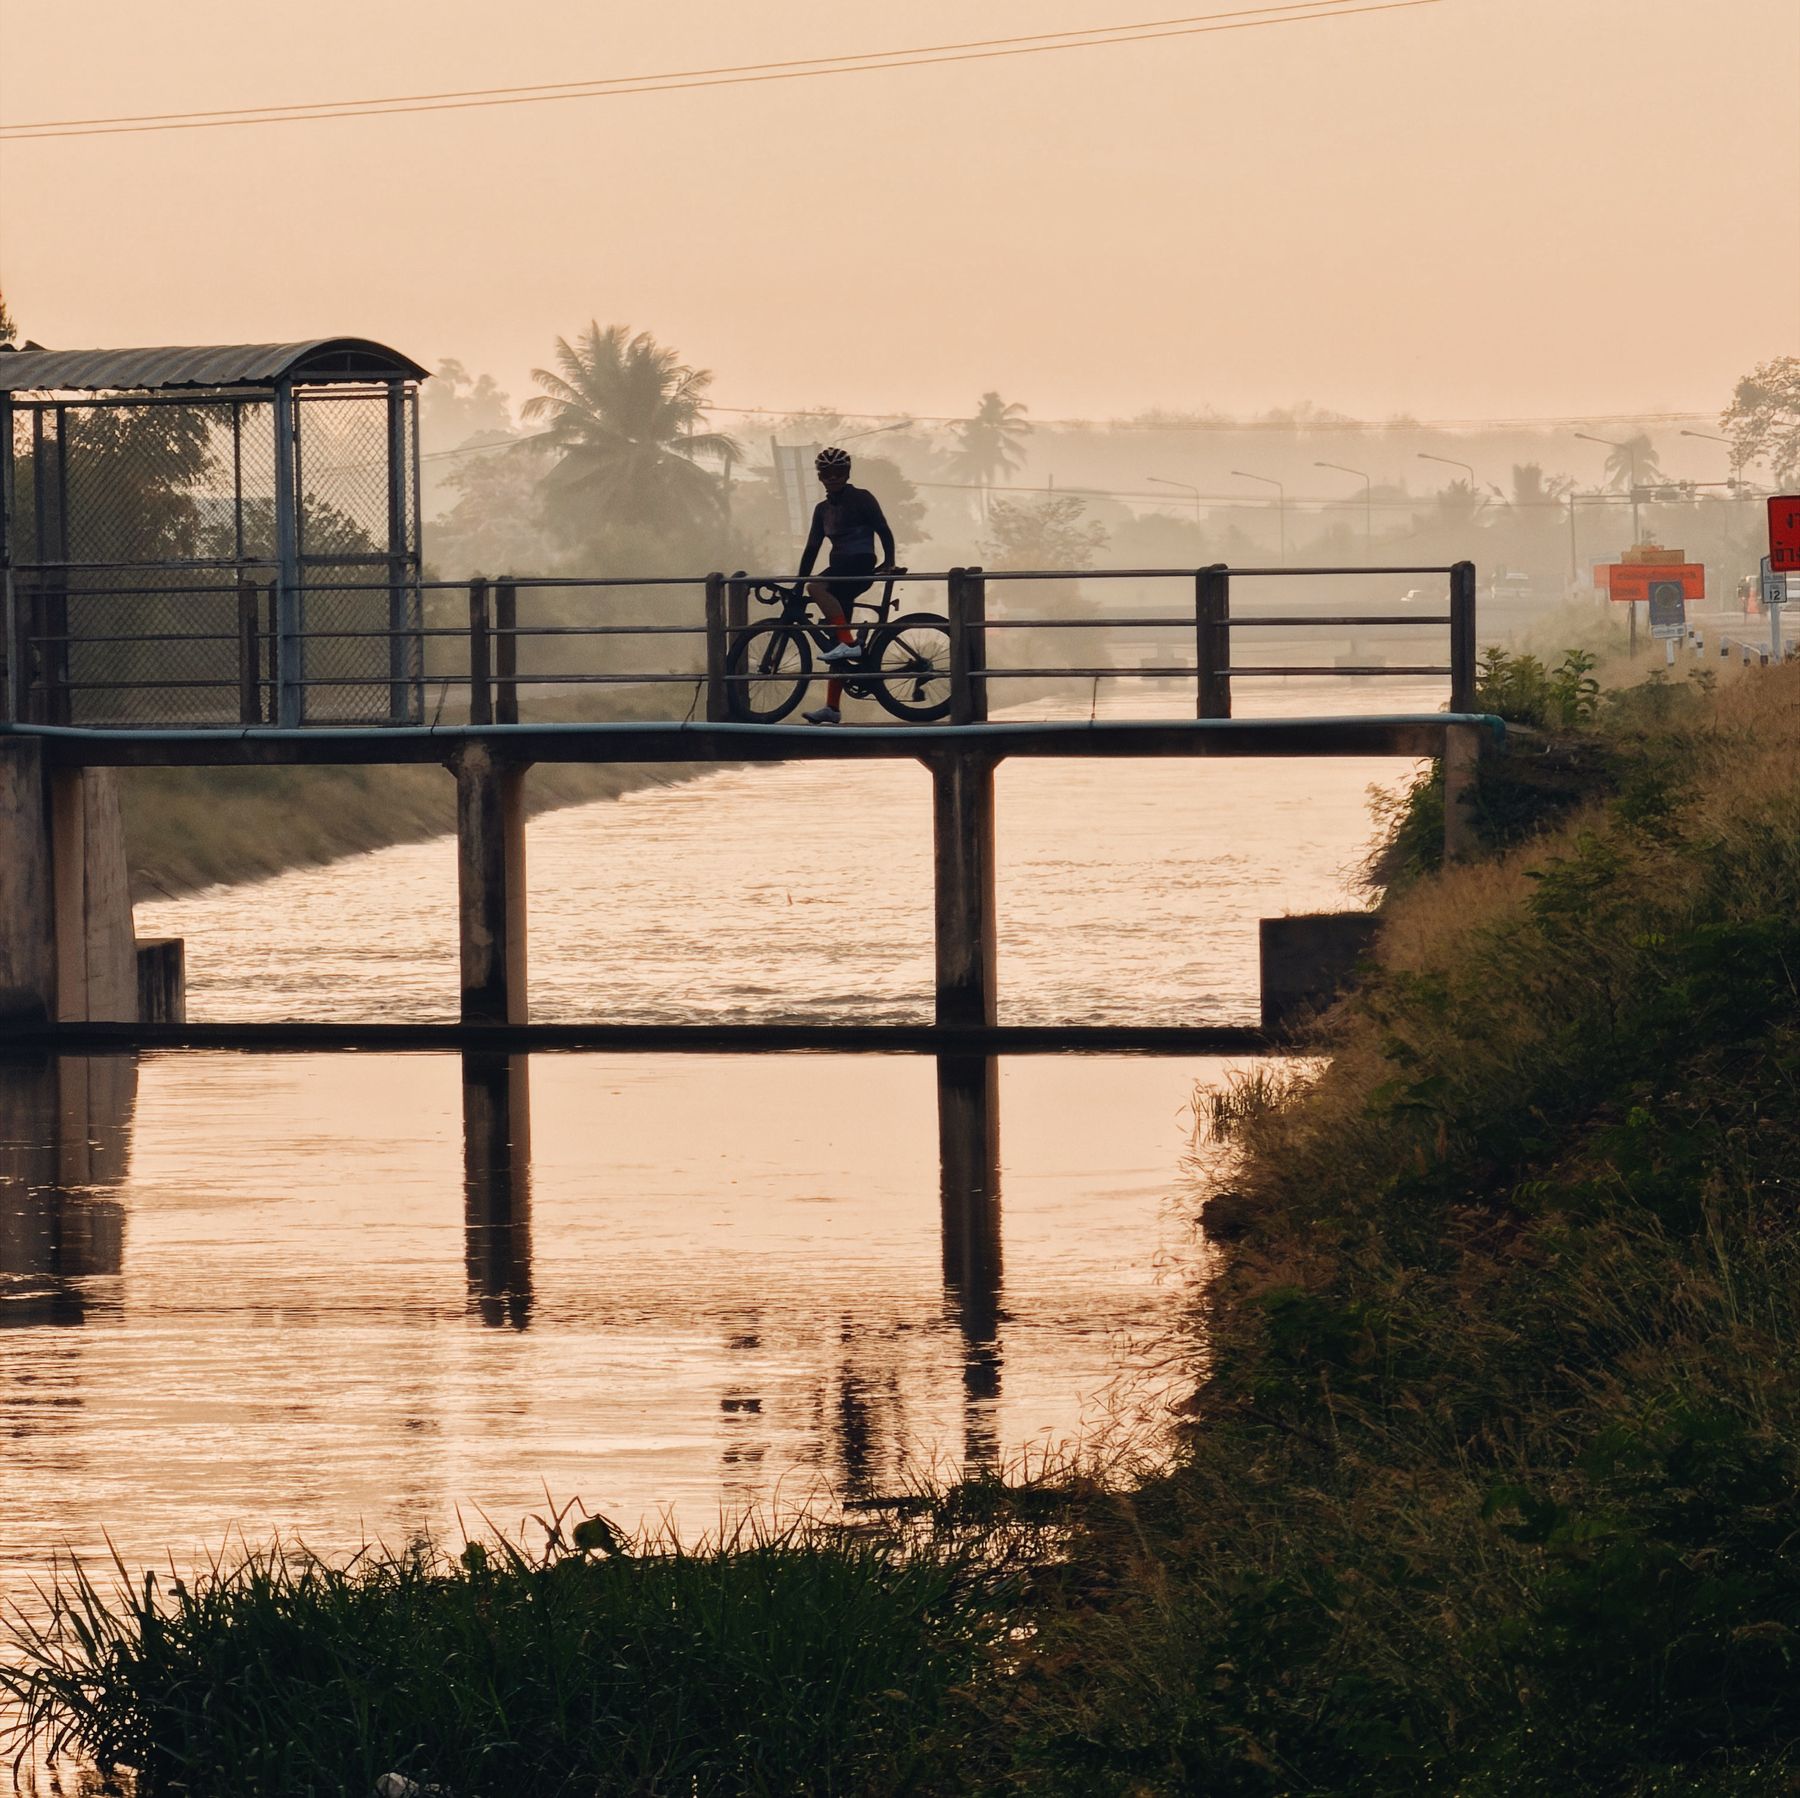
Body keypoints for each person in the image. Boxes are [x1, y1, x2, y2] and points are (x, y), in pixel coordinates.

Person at [794, 446, 896, 725]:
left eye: (839, 472)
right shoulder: (822, 510)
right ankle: (832, 707)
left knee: (816, 588)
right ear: (820, 476)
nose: (833, 477)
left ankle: (850, 643)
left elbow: (883, 529)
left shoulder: (862, 498)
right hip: (838, 569)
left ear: (847, 473)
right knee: (834, 638)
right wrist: (797, 581)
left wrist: (889, 560)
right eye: (827, 472)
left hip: (859, 564)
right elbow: (812, 548)